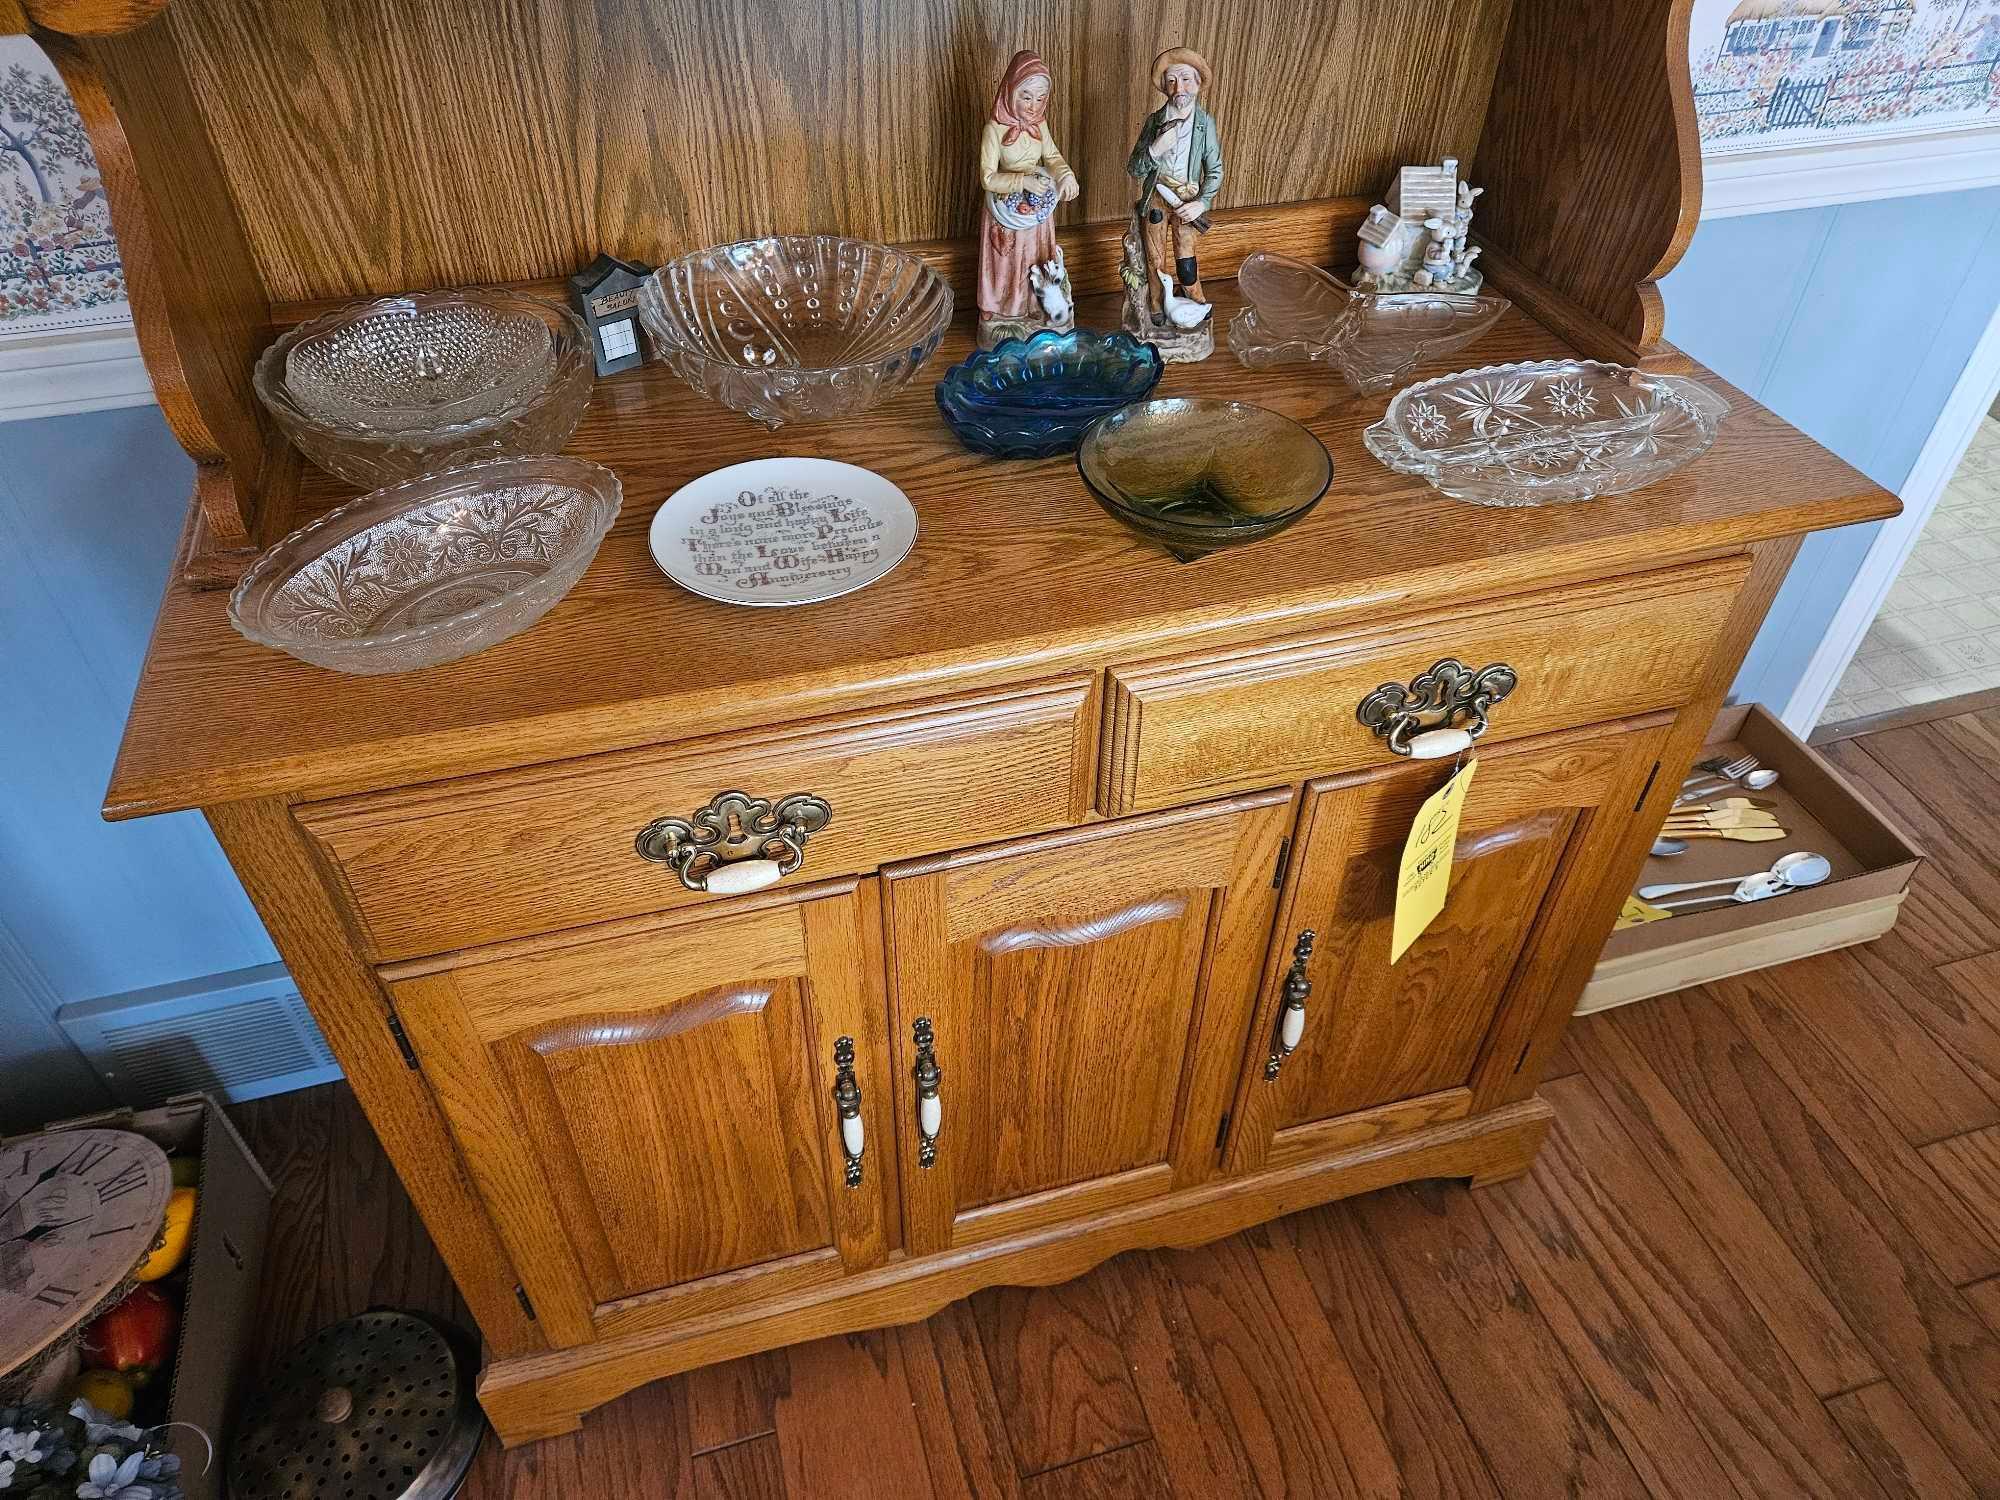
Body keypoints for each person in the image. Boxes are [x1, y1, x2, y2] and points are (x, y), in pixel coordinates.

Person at [976, 50, 1079, 330]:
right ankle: (1003, 308)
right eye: (1026, 96)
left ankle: (1036, 306)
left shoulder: (1039, 126)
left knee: (1034, 258)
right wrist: (1022, 181)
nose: (1034, 106)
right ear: (1010, 91)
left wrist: (1066, 175)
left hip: (1036, 209)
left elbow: (1053, 157)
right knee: (1007, 259)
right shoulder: (994, 131)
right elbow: (987, 177)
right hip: (1006, 210)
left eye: (1040, 98)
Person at [1126, 47, 1222, 326]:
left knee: (1186, 255)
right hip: (1157, 197)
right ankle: (1156, 302)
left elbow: (1215, 170)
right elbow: (1134, 168)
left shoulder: (1205, 124)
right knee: (1155, 255)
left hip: (1187, 199)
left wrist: (1202, 202)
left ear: (1198, 83)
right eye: (1171, 81)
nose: (1179, 87)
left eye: (1186, 79)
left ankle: (1194, 297)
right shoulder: (1155, 122)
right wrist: (1154, 150)